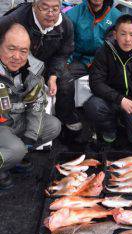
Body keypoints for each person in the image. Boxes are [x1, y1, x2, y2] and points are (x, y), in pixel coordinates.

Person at [0, 0, 81, 134]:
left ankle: (66, 116)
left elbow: (63, 53)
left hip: (48, 62)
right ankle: (12, 118)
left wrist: (53, 75)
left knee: (66, 80)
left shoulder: (66, 25)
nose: (50, 14)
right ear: (34, 6)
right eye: (45, 8)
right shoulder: (14, 19)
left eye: (55, 9)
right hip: (19, 61)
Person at [0, 23, 61, 190]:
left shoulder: (32, 72)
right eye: (11, 49)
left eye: (23, 51)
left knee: (53, 125)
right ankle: (9, 158)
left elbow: (37, 104)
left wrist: (30, 138)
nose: (17, 56)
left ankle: (13, 159)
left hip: (15, 121)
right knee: (15, 149)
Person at [84, 14, 132, 149]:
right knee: (93, 106)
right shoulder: (104, 52)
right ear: (115, 34)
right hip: (112, 99)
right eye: (123, 34)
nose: (127, 40)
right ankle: (110, 128)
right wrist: (120, 99)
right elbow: (95, 83)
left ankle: (125, 123)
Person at [65, 0, 121, 77]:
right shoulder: (72, 14)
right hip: (80, 61)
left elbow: (118, 46)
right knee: (63, 76)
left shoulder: (117, 16)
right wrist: (66, 63)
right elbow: (66, 44)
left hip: (104, 62)